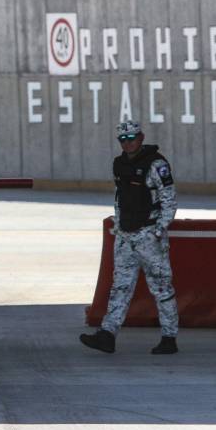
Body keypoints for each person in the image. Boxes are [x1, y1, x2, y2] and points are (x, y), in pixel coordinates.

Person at [80, 121, 179, 355]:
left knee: (162, 287)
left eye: (132, 137)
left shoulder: (156, 164)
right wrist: (118, 225)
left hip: (148, 236)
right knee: (120, 287)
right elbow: (120, 197)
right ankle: (107, 335)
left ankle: (169, 337)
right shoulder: (119, 164)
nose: (128, 143)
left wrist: (158, 230)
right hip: (125, 236)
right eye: (122, 139)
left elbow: (169, 200)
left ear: (141, 137)